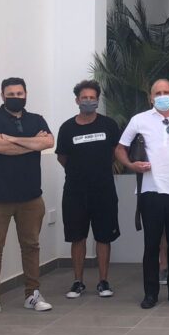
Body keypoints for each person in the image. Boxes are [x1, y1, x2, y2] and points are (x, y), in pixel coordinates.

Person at [117, 78, 169, 309]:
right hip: (150, 191)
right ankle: (150, 293)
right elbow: (120, 148)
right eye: (157, 93)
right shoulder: (139, 120)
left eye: (166, 92)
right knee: (151, 245)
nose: (162, 96)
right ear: (150, 98)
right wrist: (132, 165)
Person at [0, 77, 55, 319]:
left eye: (20, 93)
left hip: (31, 197)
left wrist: (12, 138)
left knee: (31, 246)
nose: (16, 97)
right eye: (11, 94)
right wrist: (32, 143)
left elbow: (49, 141)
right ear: (2, 96)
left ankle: (33, 294)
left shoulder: (36, 119)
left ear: (26, 94)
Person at [57, 79, 121, 299]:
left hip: (104, 190)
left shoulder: (109, 125)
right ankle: (78, 282)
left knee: (104, 237)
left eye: (92, 98)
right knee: (77, 237)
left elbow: (115, 152)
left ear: (97, 100)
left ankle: (103, 281)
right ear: (77, 100)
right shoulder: (67, 128)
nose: (88, 101)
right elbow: (62, 157)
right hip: (75, 192)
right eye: (84, 98)